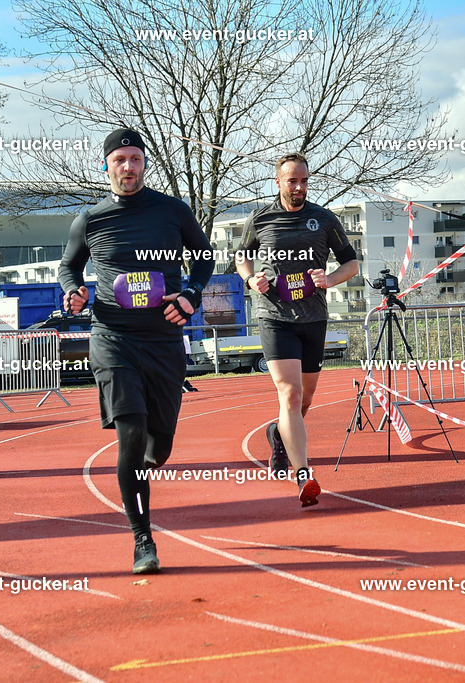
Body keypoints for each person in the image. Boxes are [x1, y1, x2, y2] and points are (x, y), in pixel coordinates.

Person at [59, 128, 215, 574]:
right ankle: (142, 540)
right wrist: (73, 291)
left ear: (145, 164)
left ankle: (141, 470)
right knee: (131, 431)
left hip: (164, 339)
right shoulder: (90, 220)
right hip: (113, 337)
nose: (128, 167)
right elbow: (69, 266)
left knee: (158, 446)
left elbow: (204, 258)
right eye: (119, 160)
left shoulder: (172, 211)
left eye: (135, 159)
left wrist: (192, 295)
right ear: (106, 165)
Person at [235, 153, 358, 507]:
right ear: (278, 182)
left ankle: (278, 433)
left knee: (304, 400)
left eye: (304, 181)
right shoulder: (260, 219)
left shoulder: (325, 219)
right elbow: (241, 256)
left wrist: (330, 279)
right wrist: (251, 279)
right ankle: (304, 475)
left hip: (313, 317)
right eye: (292, 181)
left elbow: (351, 262)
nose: (299, 187)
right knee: (289, 394)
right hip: (274, 316)